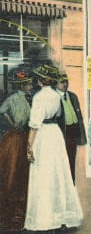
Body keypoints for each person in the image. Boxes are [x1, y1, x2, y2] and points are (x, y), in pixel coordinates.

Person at [24, 64, 83, 231]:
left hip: (43, 135)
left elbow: (34, 125)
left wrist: (29, 147)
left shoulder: (38, 97)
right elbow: (57, 115)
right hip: (55, 134)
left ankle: (44, 218)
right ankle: (61, 215)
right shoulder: (56, 96)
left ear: (40, 81)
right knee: (58, 173)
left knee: (43, 175)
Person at [0, 69, 33, 232]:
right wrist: (11, 123)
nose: (31, 85)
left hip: (25, 136)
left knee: (23, 173)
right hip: (14, 139)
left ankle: (21, 210)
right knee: (12, 171)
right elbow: (2, 111)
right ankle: (9, 212)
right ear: (21, 85)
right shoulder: (13, 98)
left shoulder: (30, 98)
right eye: (28, 84)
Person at [55, 71, 87, 185]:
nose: (65, 84)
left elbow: (79, 117)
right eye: (62, 82)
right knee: (61, 160)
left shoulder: (72, 96)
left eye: (66, 81)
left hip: (73, 131)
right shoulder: (54, 97)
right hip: (62, 132)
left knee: (72, 158)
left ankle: (71, 183)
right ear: (55, 84)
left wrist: (81, 135)